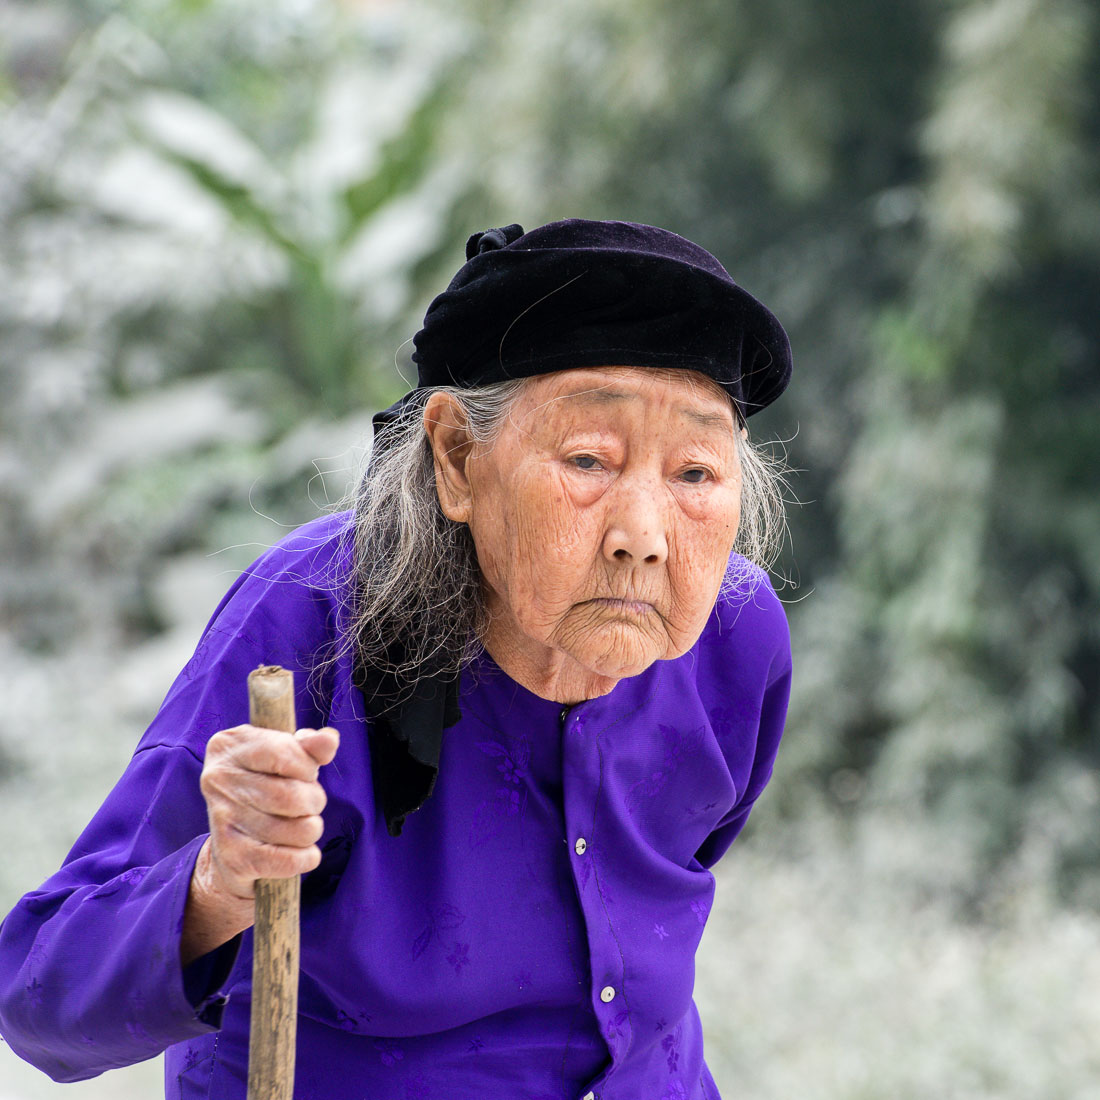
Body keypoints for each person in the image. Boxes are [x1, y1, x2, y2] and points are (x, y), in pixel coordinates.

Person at [0, 218, 794, 1100]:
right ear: (456, 456)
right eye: (587, 459)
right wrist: (219, 881)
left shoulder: (736, 636)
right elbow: (41, 995)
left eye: (695, 473)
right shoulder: (312, 623)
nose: (643, 538)